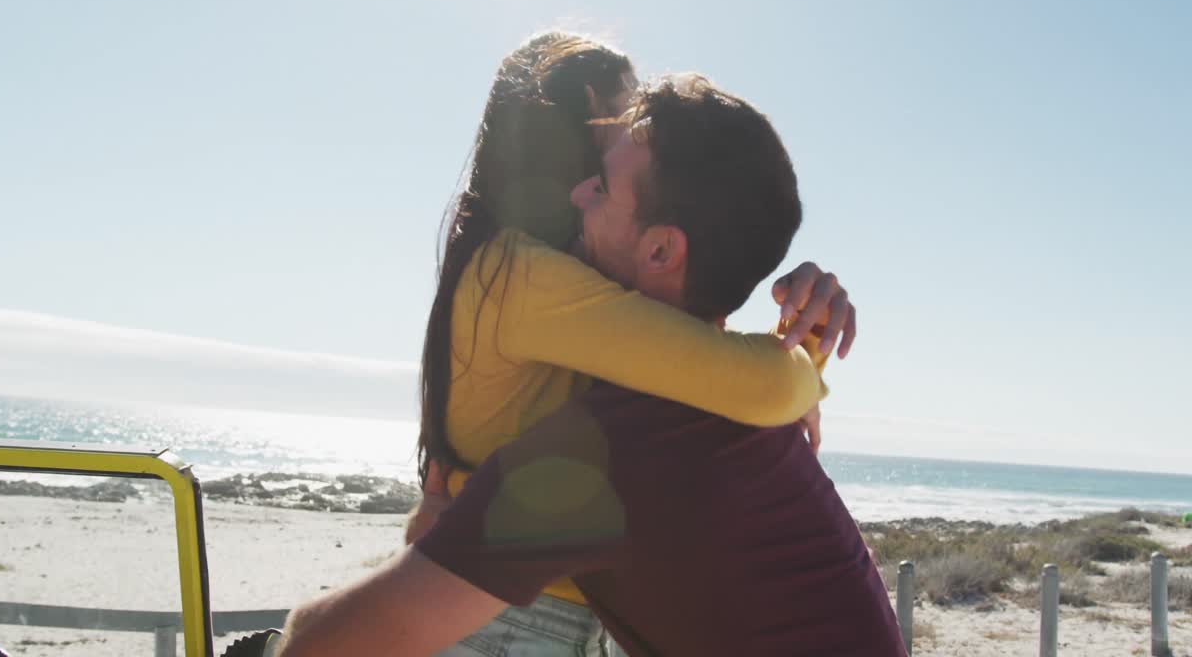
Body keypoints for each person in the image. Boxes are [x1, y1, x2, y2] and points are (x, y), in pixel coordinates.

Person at [277, 76, 902, 656]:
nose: (577, 195)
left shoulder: (610, 450)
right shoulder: (741, 415)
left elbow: (320, 643)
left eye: (599, 185)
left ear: (660, 248)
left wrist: (449, 534)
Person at [405, 33, 854, 655]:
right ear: (587, 112)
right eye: (625, 110)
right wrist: (802, 358)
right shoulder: (523, 275)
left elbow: (696, 371)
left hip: (573, 610)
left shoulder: (545, 276)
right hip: (516, 620)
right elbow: (764, 384)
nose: (638, 124)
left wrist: (800, 325)